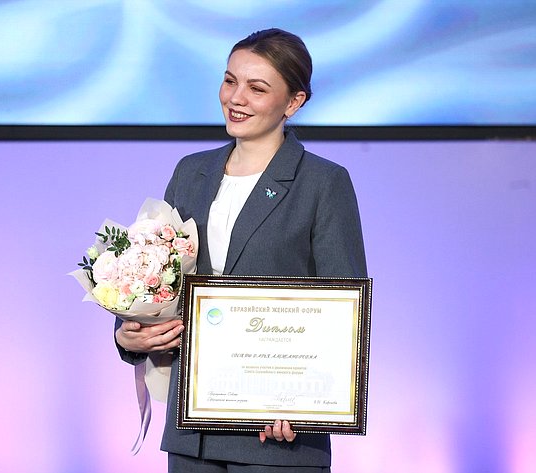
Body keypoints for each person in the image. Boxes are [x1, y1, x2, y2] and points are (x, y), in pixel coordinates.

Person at [114, 28, 367, 472]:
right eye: (230, 80)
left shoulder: (323, 183)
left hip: (277, 437)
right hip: (193, 433)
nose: (236, 97)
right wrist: (129, 333)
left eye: (257, 87)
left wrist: (308, 404)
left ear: (294, 102)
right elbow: (155, 276)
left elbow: (343, 309)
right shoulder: (190, 173)